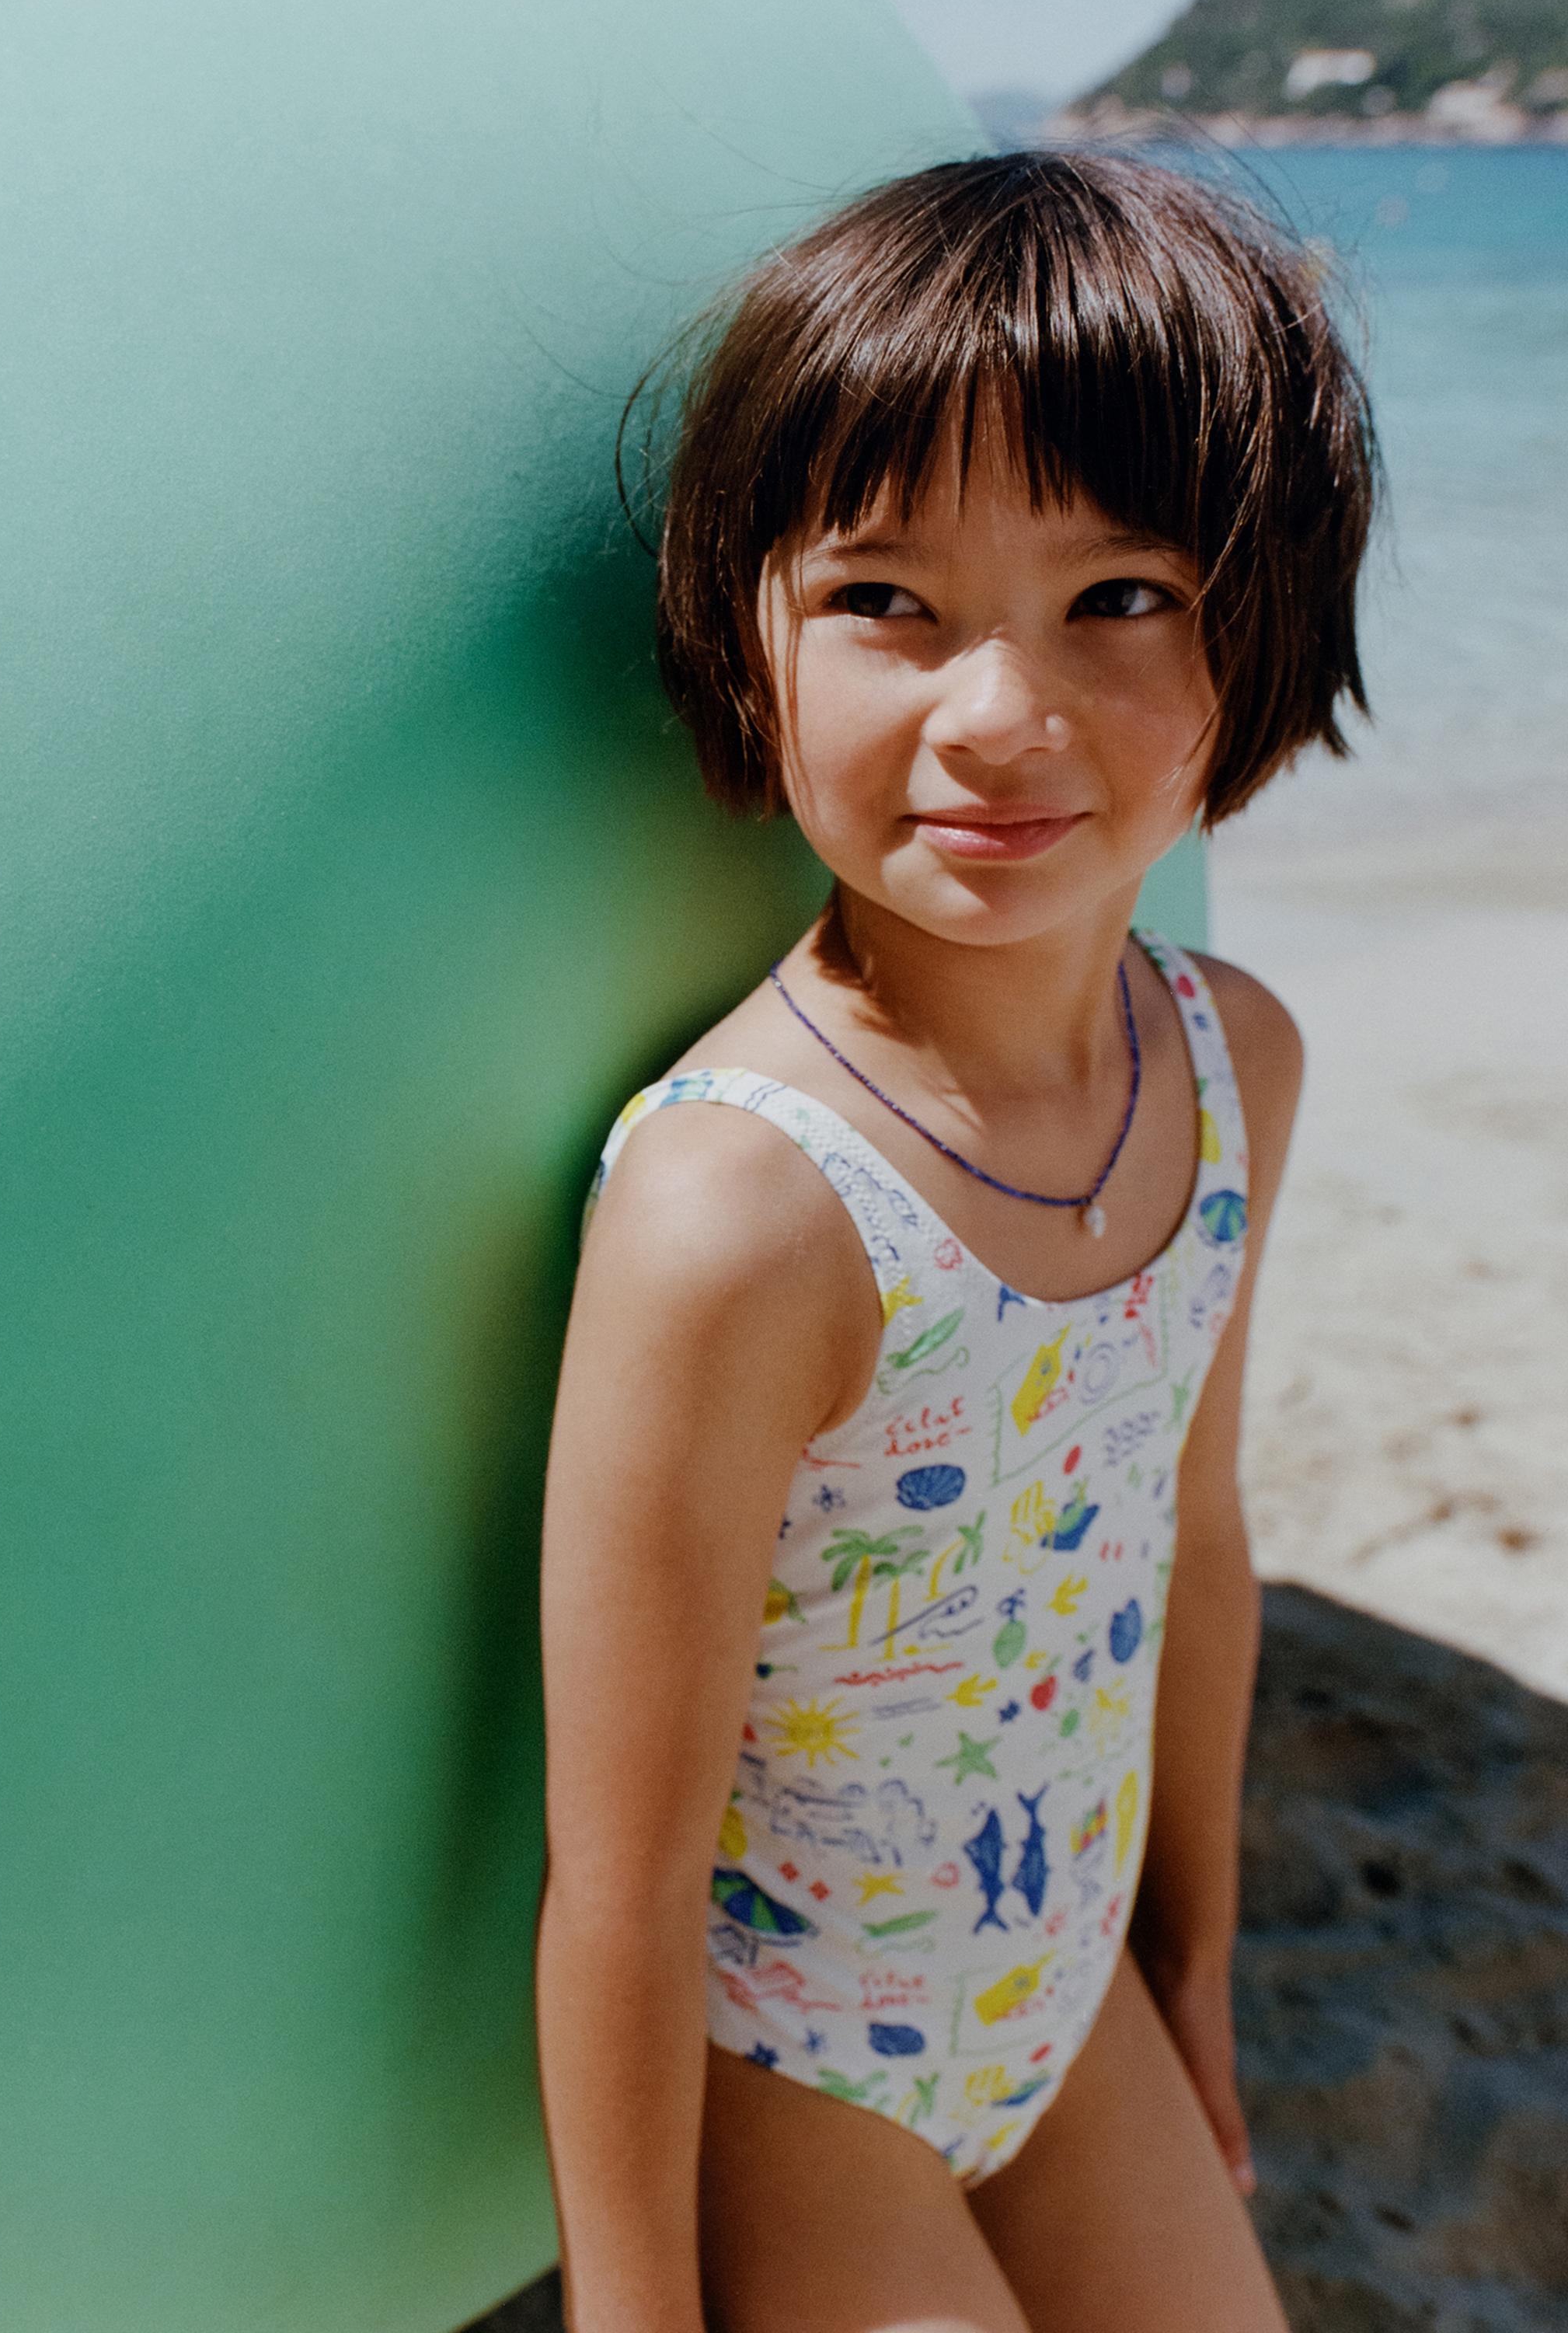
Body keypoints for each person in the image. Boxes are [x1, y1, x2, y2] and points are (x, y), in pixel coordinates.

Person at [536, 149, 1375, 2332]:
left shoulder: (1227, 1062)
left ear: (1260, 630)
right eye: (888, 604)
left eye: (1121, 600)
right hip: (809, 2085)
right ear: (755, 632)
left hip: (1069, 1999)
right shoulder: (745, 1210)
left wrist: (1191, 1977)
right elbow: (618, 1885)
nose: (997, 717)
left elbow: (1191, 1547)